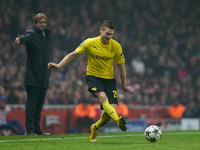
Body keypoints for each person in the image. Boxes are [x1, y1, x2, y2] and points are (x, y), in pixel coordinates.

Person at [48, 20, 131, 142]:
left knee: (108, 113)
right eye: (107, 33)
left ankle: (95, 127)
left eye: (111, 35)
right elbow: (73, 54)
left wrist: (123, 84)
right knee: (103, 97)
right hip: (93, 77)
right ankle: (118, 120)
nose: (109, 37)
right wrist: (59, 65)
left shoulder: (116, 46)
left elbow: (121, 66)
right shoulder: (90, 42)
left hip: (109, 80)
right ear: (101, 30)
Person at [15, 13, 52, 135]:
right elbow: (26, 38)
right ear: (35, 23)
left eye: (44, 22)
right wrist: (20, 40)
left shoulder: (46, 36)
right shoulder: (32, 34)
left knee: (39, 104)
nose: (42, 24)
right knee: (32, 104)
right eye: (40, 22)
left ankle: (36, 128)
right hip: (33, 76)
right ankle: (30, 129)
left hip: (43, 77)